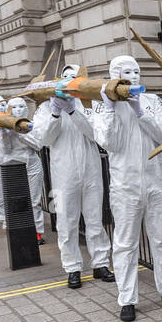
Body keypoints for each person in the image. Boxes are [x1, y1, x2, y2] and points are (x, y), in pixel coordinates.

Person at [94, 53, 162, 321]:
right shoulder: (104, 106)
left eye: (136, 71)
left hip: (155, 180)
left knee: (161, 237)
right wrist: (113, 109)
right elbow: (108, 142)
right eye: (126, 72)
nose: (133, 77)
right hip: (125, 185)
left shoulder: (152, 101)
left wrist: (141, 112)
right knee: (125, 243)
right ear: (114, 75)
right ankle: (127, 298)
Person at [30, 66, 113, 289]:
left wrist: (73, 112)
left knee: (95, 219)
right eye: (65, 77)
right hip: (63, 171)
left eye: (73, 77)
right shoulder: (46, 108)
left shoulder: (88, 104)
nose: (69, 81)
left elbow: (95, 134)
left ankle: (101, 263)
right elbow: (44, 139)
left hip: (91, 168)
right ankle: (73, 267)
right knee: (67, 221)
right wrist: (56, 113)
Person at [0, 95, 44, 242]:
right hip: (13, 163)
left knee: (34, 199)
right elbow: (4, 149)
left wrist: (21, 132)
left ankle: (37, 230)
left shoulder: (33, 124)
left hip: (32, 161)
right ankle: (15, 227)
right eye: (14, 107)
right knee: (15, 199)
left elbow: (38, 145)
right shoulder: (4, 128)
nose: (18, 110)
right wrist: (5, 132)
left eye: (21, 106)